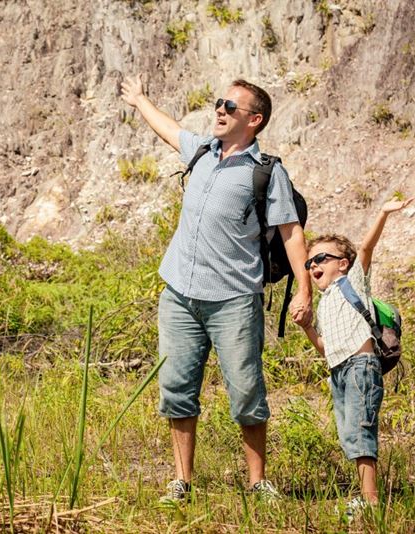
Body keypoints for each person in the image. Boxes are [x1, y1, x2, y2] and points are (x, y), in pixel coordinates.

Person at [120, 75, 312, 502]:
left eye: (230, 106)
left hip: (234, 301)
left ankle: (258, 483)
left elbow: (291, 232)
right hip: (179, 296)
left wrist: (304, 290)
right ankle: (181, 481)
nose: (219, 111)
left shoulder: (266, 173)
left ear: (254, 120)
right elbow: (170, 130)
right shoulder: (202, 151)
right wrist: (140, 99)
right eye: (218, 104)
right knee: (176, 388)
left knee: (246, 391)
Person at [294, 198, 413, 519]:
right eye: (309, 263)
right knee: (349, 434)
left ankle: (371, 501)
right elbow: (325, 348)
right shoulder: (322, 305)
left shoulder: (352, 283)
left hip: (361, 366)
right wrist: (307, 327)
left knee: (360, 429)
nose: (313, 266)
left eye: (320, 259)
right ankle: (365, 497)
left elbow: (365, 249)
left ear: (342, 264)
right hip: (338, 371)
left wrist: (383, 213)